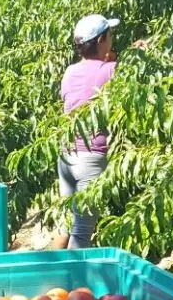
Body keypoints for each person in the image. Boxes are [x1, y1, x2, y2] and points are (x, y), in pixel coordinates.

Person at [51, 13, 142, 250]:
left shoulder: (70, 72)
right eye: (110, 35)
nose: (112, 39)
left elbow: (92, 80)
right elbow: (124, 72)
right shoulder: (111, 71)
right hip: (90, 158)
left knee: (65, 224)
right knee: (81, 234)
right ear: (101, 40)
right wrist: (138, 53)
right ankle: (69, 285)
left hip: (66, 155)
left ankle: (40, 279)